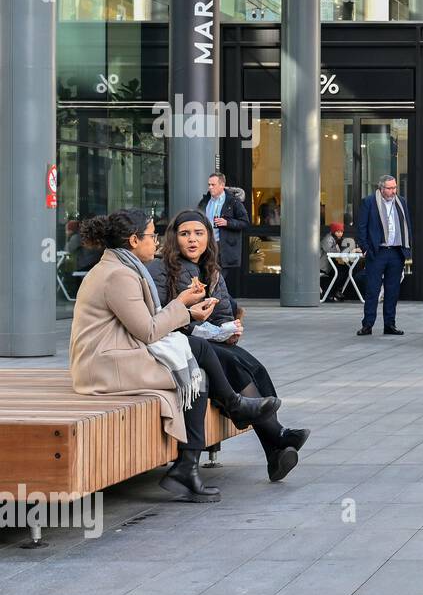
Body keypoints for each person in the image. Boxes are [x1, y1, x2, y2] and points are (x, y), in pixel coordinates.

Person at [69, 209, 280, 503]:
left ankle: (188, 466)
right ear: (133, 240)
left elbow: (147, 322)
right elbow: (148, 329)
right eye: (151, 235)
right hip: (106, 364)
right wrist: (182, 305)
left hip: (118, 354)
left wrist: (187, 312)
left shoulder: (121, 267)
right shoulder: (119, 275)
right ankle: (229, 413)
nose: (155, 242)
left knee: (198, 365)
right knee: (198, 365)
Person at [150, 211, 308, 482]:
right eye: (185, 234)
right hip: (175, 342)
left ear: (208, 238)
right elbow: (160, 316)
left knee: (250, 364)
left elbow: (224, 313)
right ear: (174, 238)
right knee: (233, 362)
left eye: (199, 234)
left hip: (208, 342)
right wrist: (193, 318)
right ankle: (276, 437)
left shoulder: (211, 270)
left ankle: (275, 446)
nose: (192, 240)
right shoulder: (162, 269)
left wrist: (231, 330)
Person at [356, 174, 412, 336]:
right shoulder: (369, 202)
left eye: (394, 187)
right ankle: (368, 324)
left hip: (396, 251)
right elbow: (362, 228)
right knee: (373, 290)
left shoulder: (401, 202)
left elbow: (407, 225)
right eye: (389, 188)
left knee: (392, 290)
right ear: (381, 188)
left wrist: (406, 248)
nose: (393, 191)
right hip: (377, 252)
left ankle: (390, 324)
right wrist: (366, 249)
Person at [197, 172, 250, 294]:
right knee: (209, 278)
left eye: (213, 185)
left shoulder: (233, 202)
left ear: (222, 185)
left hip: (223, 247)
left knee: (216, 280)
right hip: (206, 245)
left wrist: (227, 223)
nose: (210, 187)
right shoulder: (205, 201)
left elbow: (245, 222)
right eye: (209, 184)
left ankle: (224, 306)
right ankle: (229, 307)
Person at [320, 222, 358, 301]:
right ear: (333, 232)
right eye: (338, 232)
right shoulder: (328, 239)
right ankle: (330, 293)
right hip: (323, 267)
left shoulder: (335, 239)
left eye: (341, 232)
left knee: (346, 270)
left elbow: (338, 253)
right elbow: (331, 252)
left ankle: (335, 291)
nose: (340, 234)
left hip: (329, 266)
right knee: (340, 272)